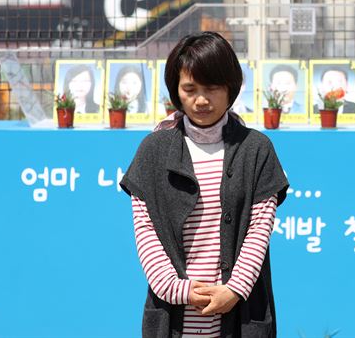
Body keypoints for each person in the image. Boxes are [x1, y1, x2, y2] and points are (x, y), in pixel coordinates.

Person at [120, 32, 289, 337]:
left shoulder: (256, 149)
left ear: (231, 88)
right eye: (189, 89)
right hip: (171, 314)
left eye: (212, 88)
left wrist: (234, 290)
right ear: (176, 90)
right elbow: (145, 230)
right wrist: (176, 290)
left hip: (241, 312)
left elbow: (259, 231)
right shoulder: (153, 150)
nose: (200, 100)